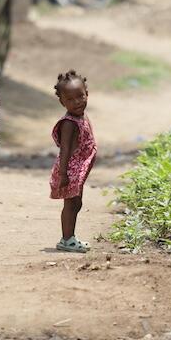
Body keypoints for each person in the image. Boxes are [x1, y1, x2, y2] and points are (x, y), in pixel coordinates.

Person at [50, 70, 98, 253]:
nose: (77, 102)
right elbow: (65, 150)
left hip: (77, 170)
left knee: (77, 203)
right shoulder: (69, 123)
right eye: (70, 99)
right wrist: (63, 175)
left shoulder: (81, 116)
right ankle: (67, 239)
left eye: (80, 96)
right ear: (62, 102)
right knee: (71, 204)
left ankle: (71, 237)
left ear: (87, 94)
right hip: (69, 172)